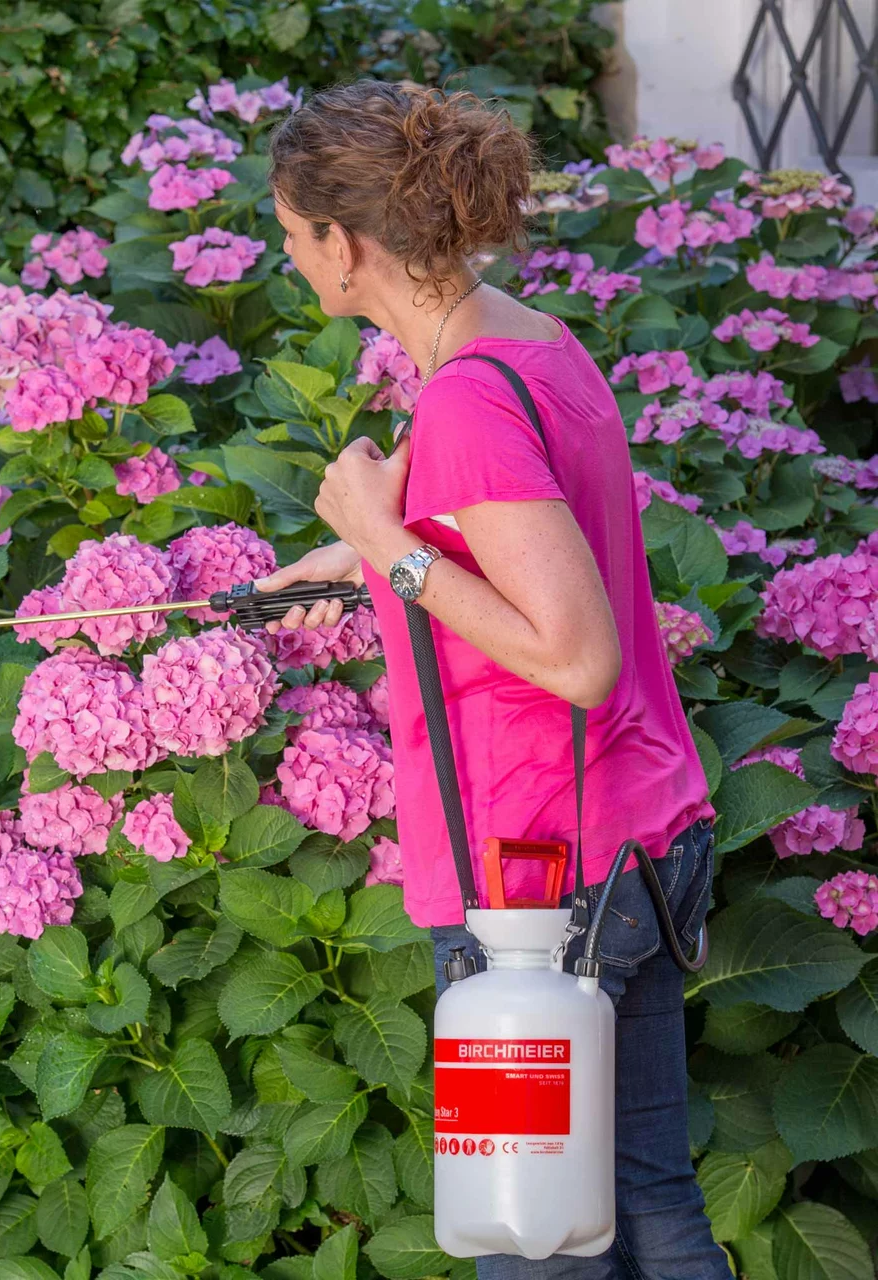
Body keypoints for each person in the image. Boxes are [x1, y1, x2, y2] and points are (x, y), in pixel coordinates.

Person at [256, 81, 725, 1279]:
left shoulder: (462, 400)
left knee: (532, 1244)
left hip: (535, 886)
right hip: (626, 836)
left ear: (342, 244)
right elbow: (500, 534)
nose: (291, 258)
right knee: (644, 1203)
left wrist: (395, 553)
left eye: (290, 235)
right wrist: (362, 548)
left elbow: (573, 654)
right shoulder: (523, 342)